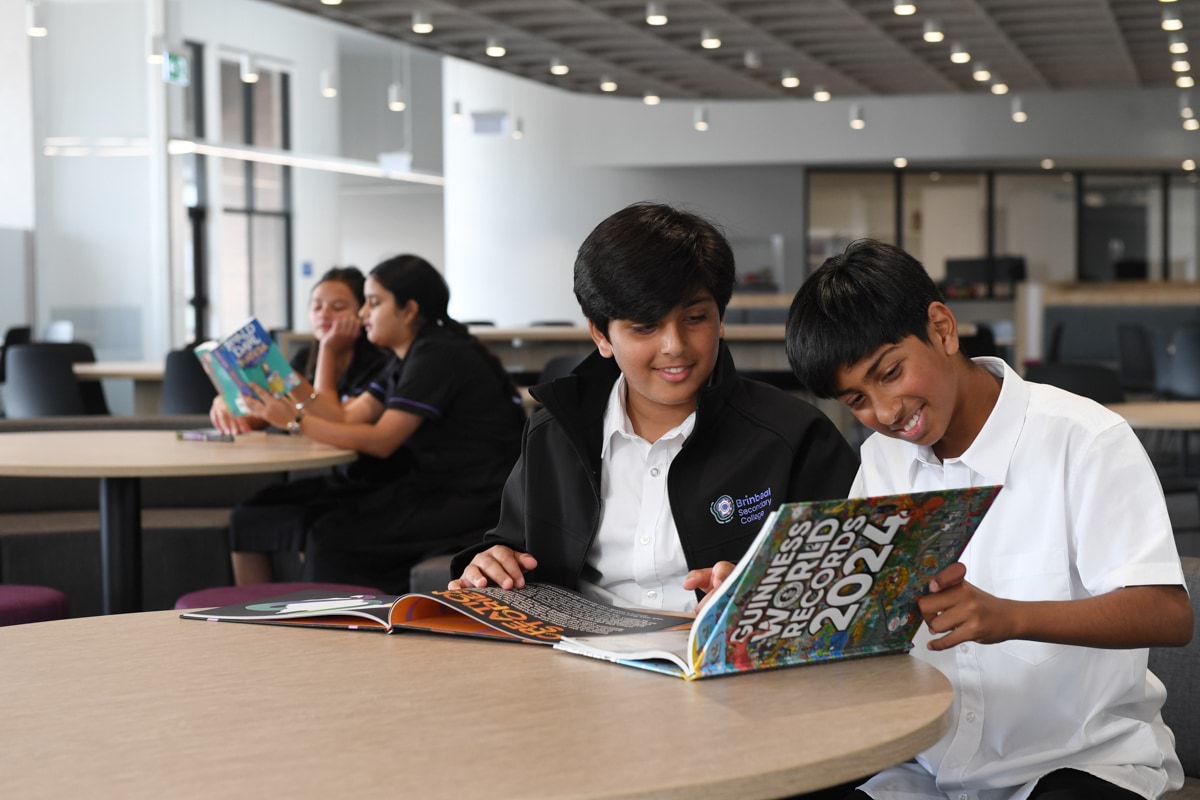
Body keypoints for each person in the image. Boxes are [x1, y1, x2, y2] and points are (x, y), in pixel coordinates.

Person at [785, 239, 1193, 800]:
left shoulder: (1085, 439)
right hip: (924, 765)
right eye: (855, 399)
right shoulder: (882, 459)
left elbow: (1168, 614)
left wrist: (1011, 617)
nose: (883, 413)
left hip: (1078, 761)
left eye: (891, 373)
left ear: (943, 329)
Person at [449, 202, 858, 613]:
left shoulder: (794, 435)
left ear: (721, 318)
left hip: (731, 665)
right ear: (601, 335)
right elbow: (510, 549)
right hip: (579, 663)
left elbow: (852, 579)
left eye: (695, 318)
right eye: (645, 327)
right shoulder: (554, 435)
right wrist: (490, 563)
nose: (674, 346)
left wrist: (767, 595)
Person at [229, 255, 525, 591]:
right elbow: (344, 416)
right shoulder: (407, 355)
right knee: (323, 528)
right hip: (438, 487)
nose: (363, 314)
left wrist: (296, 421)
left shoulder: (438, 354)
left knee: (332, 537)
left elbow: (382, 440)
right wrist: (283, 378)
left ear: (409, 310)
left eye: (373, 303)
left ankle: (339, 629)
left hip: (475, 497)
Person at [210, 266, 389, 436]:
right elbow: (268, 413)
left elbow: (330, 422)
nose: (324, 314)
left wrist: (328, 349)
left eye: (338, 307)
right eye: (317, 307)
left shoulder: (380, 364)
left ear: (363, 312)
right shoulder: (304, 358)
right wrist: (233, 408)